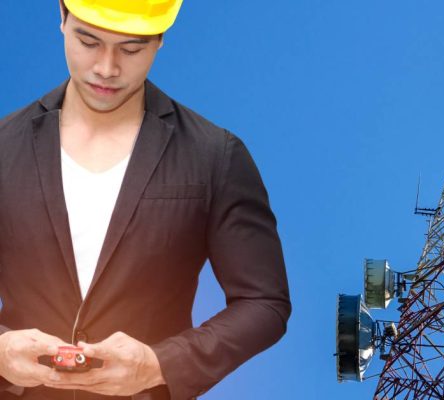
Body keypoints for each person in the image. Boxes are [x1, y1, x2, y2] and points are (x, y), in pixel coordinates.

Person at [0, 1, 291, 399]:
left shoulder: (214, 155)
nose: (107, 67)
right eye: (88, 41)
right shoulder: (3, 146)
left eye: (131, 49)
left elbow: (264, 304)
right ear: (62, 19)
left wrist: (159, 364)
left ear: (159, 40)